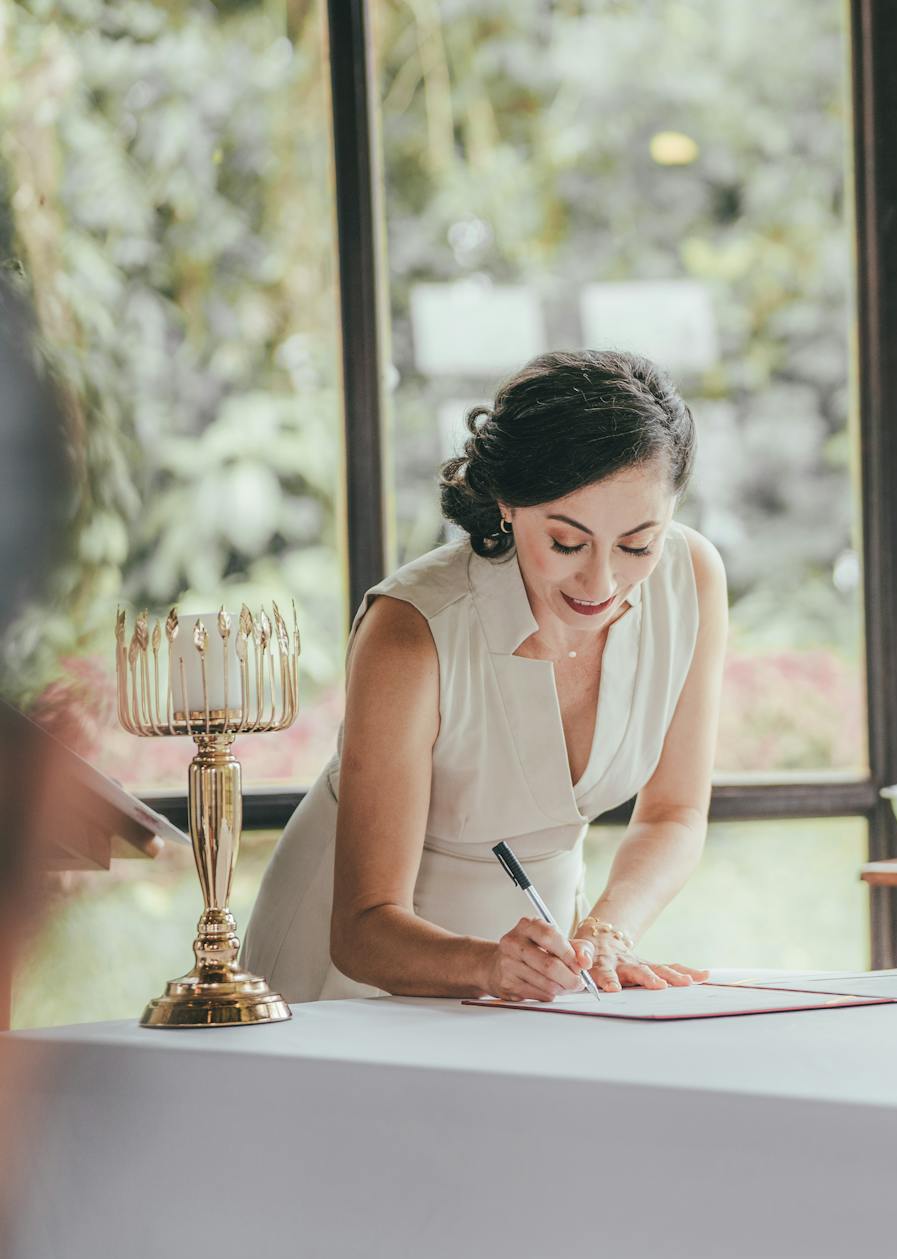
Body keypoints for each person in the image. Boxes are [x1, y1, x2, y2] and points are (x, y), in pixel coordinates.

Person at [241, 350, 724, 1002]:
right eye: (566, 542)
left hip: (535, 969)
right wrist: (488, 966)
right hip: (355, 969)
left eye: (638, 544)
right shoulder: (413, 631)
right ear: (507, 505)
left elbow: (675, 814)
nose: (602, 583)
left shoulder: (690, 578)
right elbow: (360, 930)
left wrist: (609, 931)